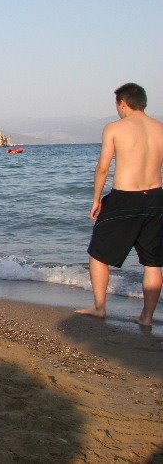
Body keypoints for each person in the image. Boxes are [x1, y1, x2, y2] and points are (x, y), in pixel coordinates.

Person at [77, 83, 163, 327]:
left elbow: (103, 167)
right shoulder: (160, 129)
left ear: (123, 103)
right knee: (153, 262)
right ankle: (146, 317)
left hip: (125, 196)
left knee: (98, 253)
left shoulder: (115, 128)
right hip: (156, 197)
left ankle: (100, 307)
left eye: (117, 105)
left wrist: (96, 199)